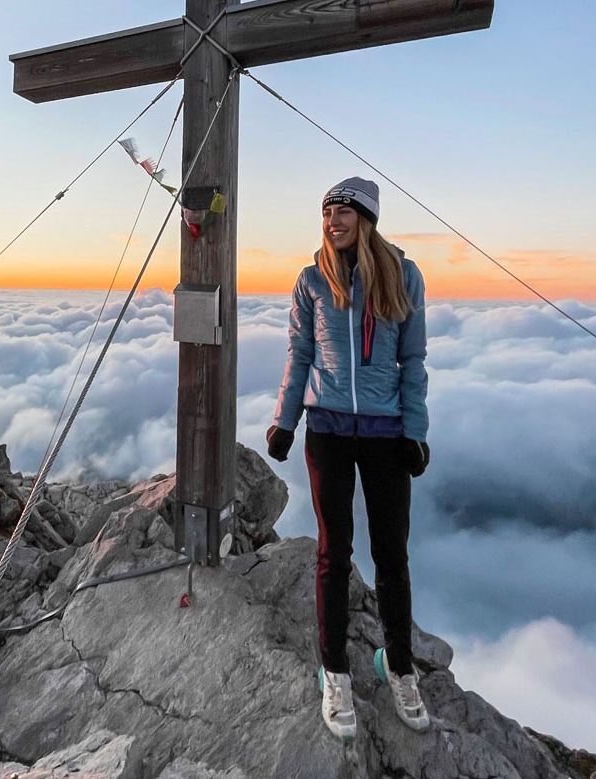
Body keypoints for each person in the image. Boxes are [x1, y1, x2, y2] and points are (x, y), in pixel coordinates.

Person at [265, 177, 431, 740]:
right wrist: (286, 422)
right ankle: (333, 670)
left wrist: (416, 431)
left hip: (385, 433)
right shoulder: (312, 280)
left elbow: (414, 359)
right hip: (328, 429)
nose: (332, 220)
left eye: (342, 211)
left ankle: (399, 665)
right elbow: (300, 354)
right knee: (334, 553)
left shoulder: (403, 276)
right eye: (326, 212)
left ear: (366, 218)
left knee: (392, 554)